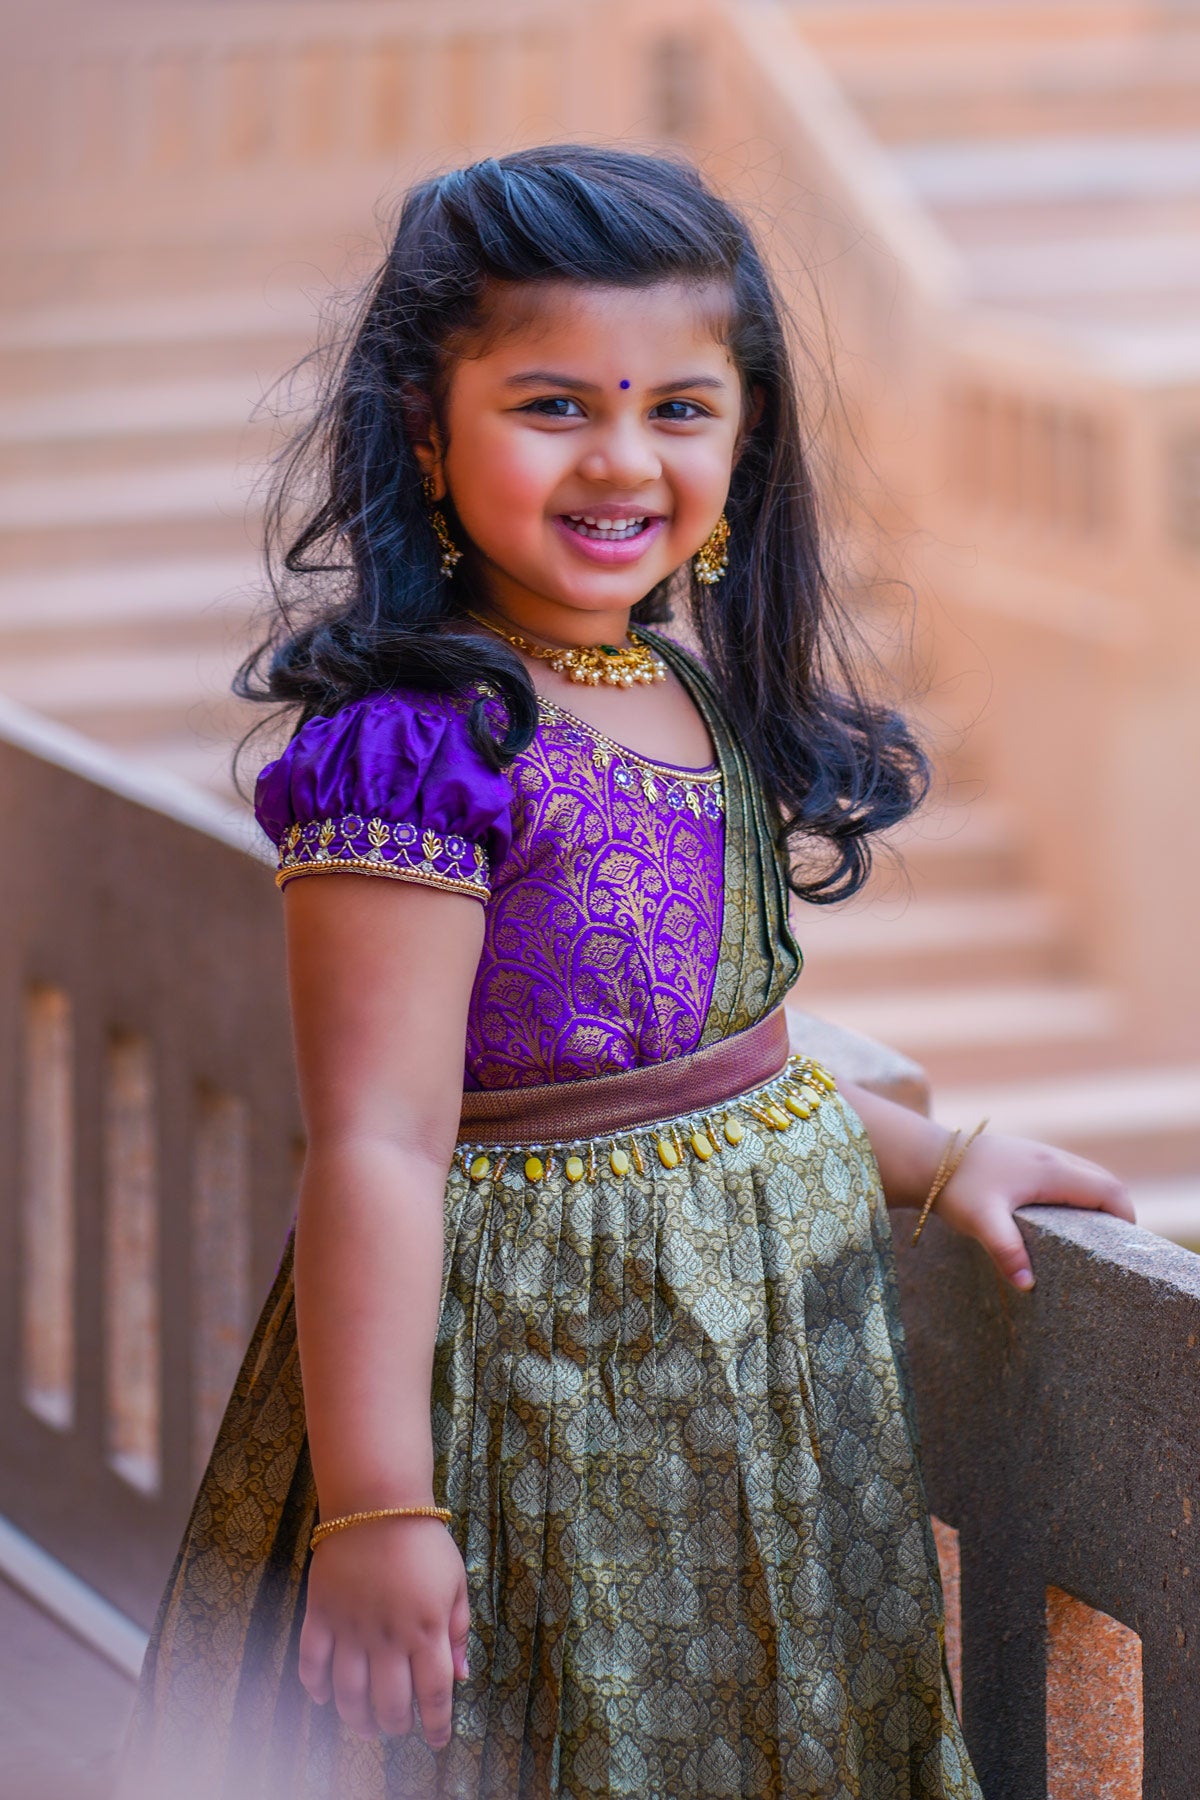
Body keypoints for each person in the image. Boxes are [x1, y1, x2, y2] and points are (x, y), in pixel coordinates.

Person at [118, 144, 1131, 1800]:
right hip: (538, 1394)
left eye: (679, 407)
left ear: (747, 441)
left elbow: (727, 1072)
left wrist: (941, 1156)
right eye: (552, 405)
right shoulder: (424, 749)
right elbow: (378, 1138)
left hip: (753, 1407)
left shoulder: (686, 692)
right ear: (426, 435)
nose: (622, 459)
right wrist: (382, 1504)